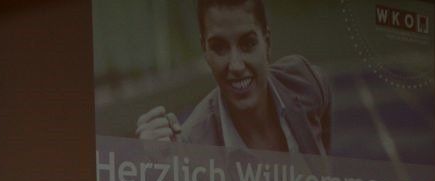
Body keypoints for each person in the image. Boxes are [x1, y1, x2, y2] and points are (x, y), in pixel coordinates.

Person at [135, 0, 331, 154]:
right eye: (219, 47)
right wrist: (160, 170)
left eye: (248, 44)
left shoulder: (306, 81)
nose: (236, 66)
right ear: (205, 51)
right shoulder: (193, 146)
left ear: (267, 43)